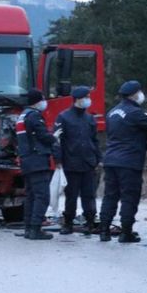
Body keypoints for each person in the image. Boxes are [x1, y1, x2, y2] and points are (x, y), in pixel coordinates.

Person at [98, 80, 147, 243]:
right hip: (129, 161)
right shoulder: (135, 113)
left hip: (111, 160)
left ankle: (104, 230)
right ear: (134, 94)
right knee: (129, 197)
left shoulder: (111, 112)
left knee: (110, 196)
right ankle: (126, 232)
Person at [54, 86, 101, 235]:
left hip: (88, 163)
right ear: (77, 99)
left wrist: (98, 158)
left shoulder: (89, 118)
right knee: (71, 196)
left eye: (89, 97)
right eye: (85, 97)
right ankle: (68, 223)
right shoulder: (64, 117)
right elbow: (57, 141)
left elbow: (94, 140)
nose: (88, 100)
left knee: (89, 195)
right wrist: (58, 160)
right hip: (70, 163)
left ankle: (90, 222)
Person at [17, 88, 57, 240]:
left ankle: (28, 228)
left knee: (31, 196)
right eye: (43, 99)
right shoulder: (34, 116)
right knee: (42, 196)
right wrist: (54, 137)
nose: (44, 102)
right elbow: (43, 136)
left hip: (26, 160)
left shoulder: (22, 116)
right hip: (37, 160)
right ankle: (35, 229)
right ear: (37, 101)